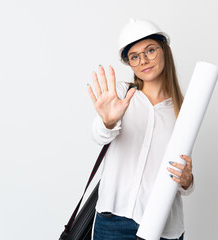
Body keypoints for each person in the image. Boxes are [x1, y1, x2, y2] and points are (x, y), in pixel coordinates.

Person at [87, 19, 195, 240]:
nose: (143, 60)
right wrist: (108, 122)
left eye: (150, 50)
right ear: (129, 63)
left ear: (165, 50)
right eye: (134, 56)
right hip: (112, 221)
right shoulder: (120, 94)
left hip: (162, 225)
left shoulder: (184, 108)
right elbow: (98, 135)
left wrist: (187, 180)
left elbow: (183, 178)